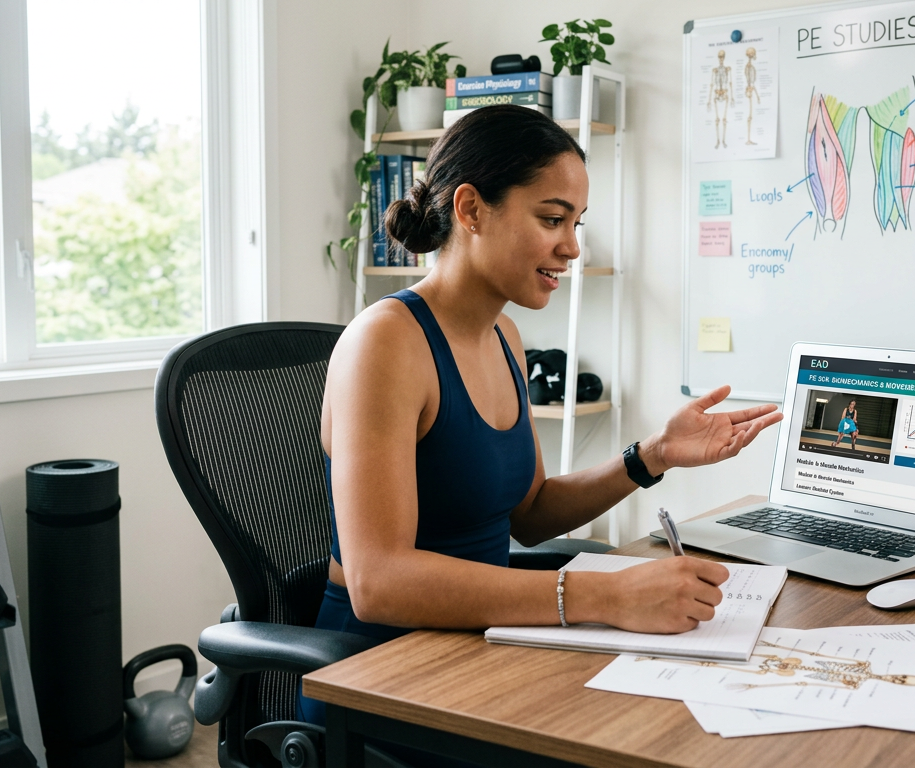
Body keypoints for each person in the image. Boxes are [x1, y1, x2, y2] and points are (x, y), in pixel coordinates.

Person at [306, 106, 782, 736]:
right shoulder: (385, 344)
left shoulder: (504, 336)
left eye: (576, 223)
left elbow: (528, 515)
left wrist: (654, 454)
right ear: (471, 210)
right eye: (552, 219)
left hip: (477, 648)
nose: (572, 247)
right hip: (383, 676)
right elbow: (379, 581)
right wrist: (604, 597)